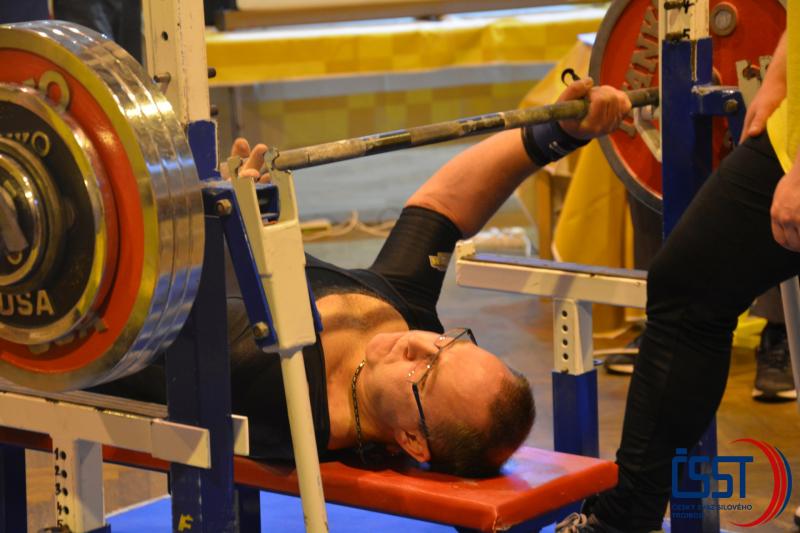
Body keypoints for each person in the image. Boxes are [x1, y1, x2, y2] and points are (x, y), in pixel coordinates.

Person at [93, 78, 632, 477]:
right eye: (449, 342)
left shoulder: (280, 394)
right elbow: (442, 208)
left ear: (412, 441)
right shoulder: (408, 320)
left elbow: (143, 317)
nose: (418, 344)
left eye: (427, 371)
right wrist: (556, 134)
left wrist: (206, 216)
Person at [556, 18, 799, 533]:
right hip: (786, 130)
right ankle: (627, 513)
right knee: (688, 288)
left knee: (689, 289)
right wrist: (780, 75)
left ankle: (625, 516)